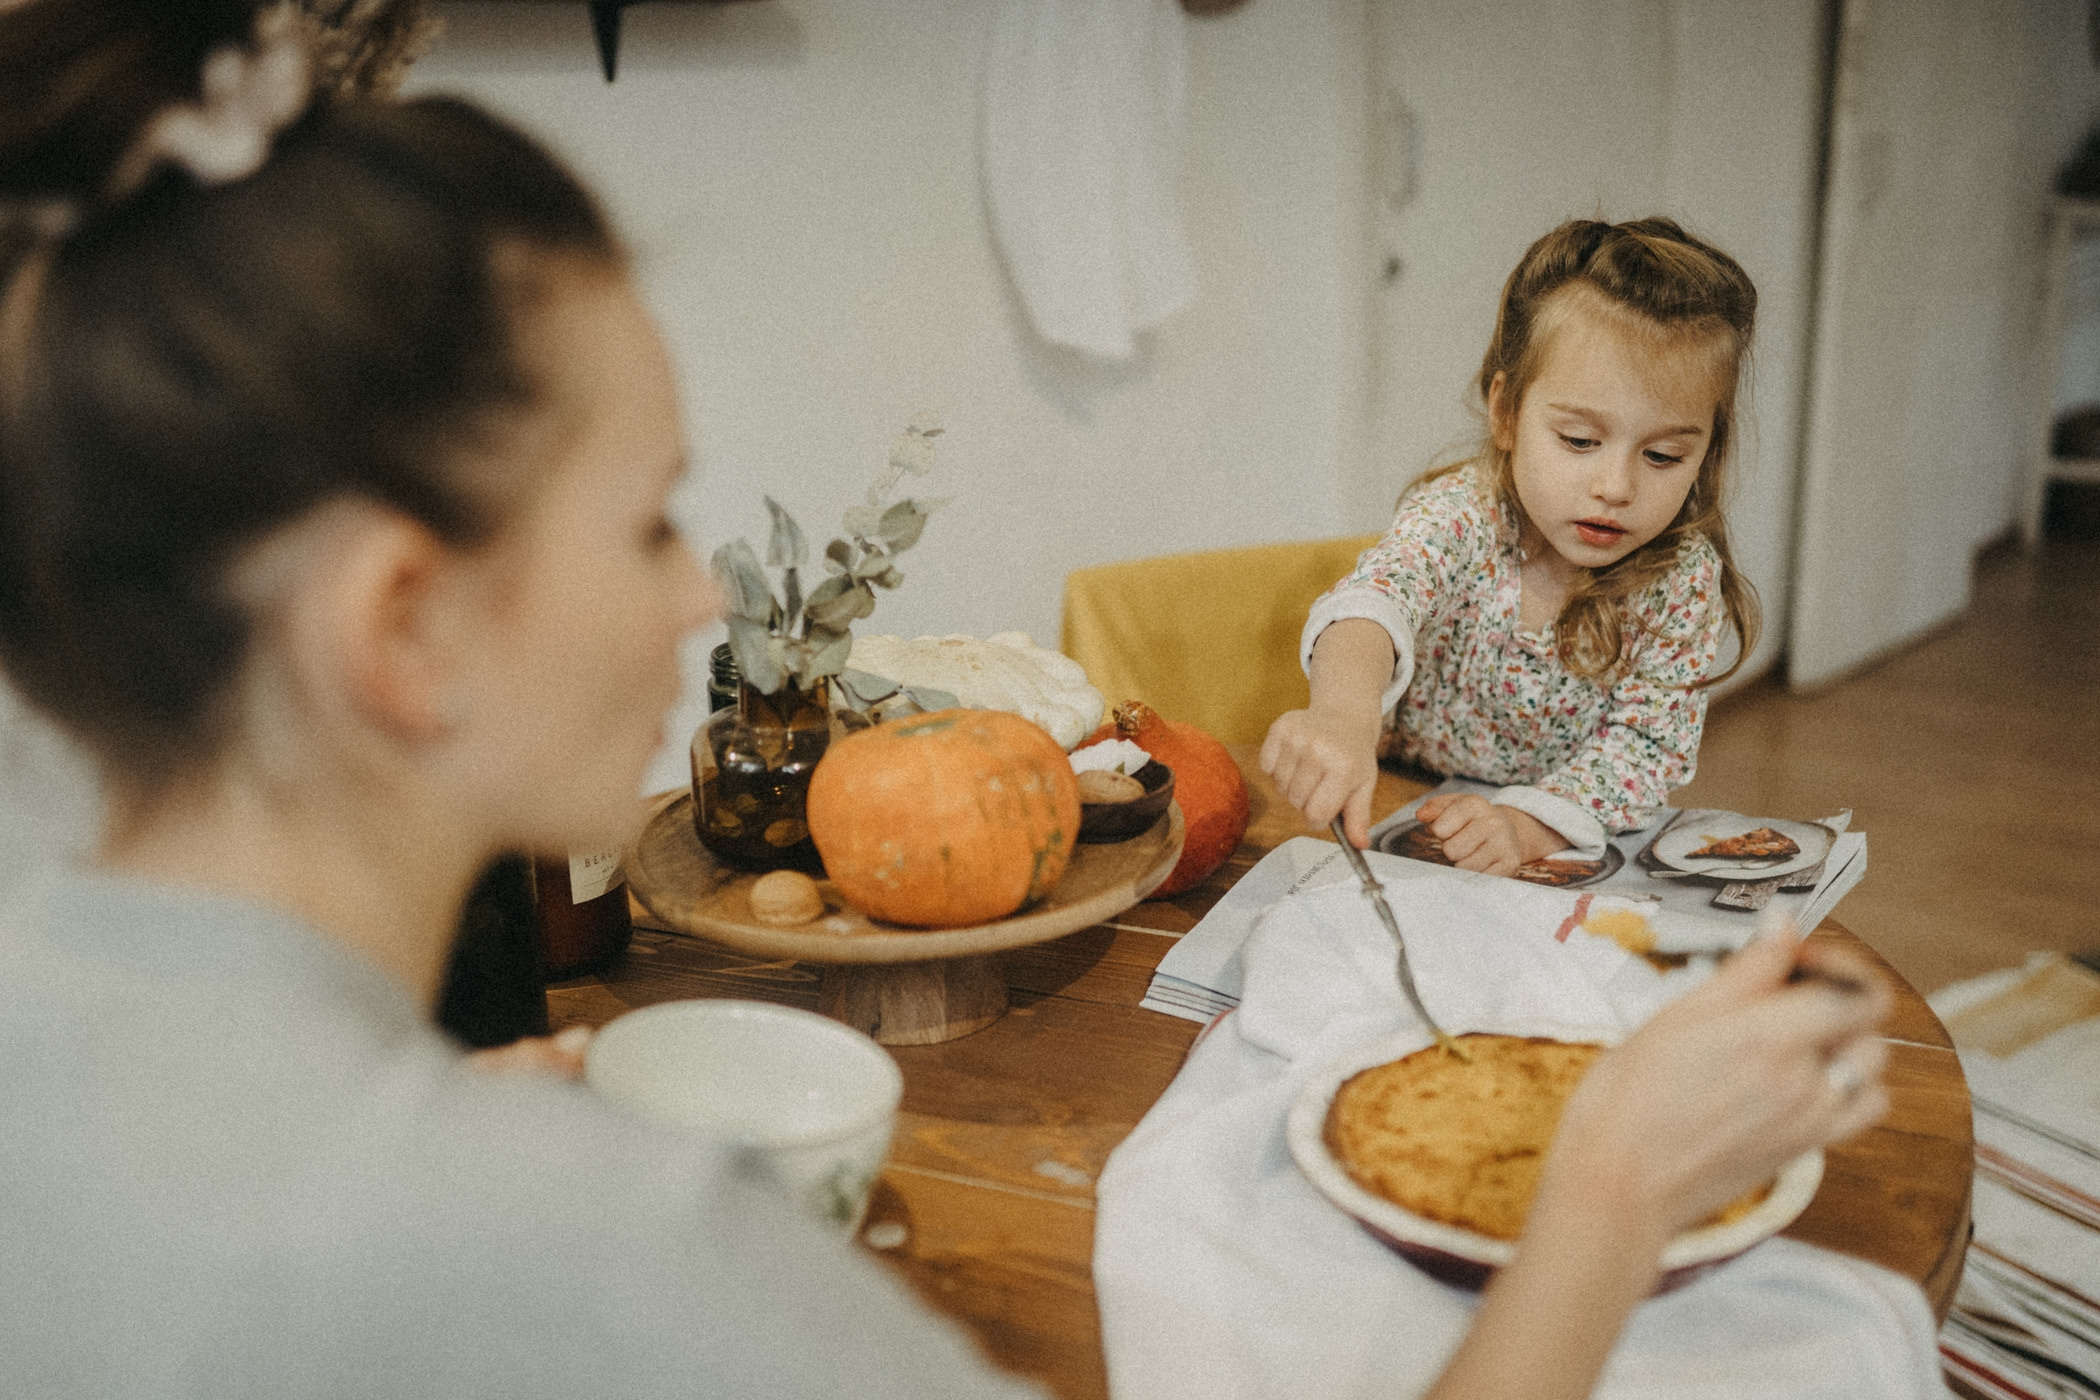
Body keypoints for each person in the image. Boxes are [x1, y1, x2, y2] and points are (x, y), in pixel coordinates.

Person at [0, 7, 1889, 1398]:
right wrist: (1615, 1182)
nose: (693, 592)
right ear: (402, 624)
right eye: (648, 515)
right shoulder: (595, 1238)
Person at [1262, 218, 1761, 867]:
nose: (1616, 486)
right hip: (1402, 796)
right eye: (1580, 442)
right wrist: (1343, 716)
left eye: (1664, 455)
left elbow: (1642, 751)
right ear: (1506, 413)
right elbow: (1375, 604)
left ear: (1706, 454)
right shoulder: (1465, 513)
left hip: (1551, 824)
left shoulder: (1681, 578)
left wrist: (1529, 828)